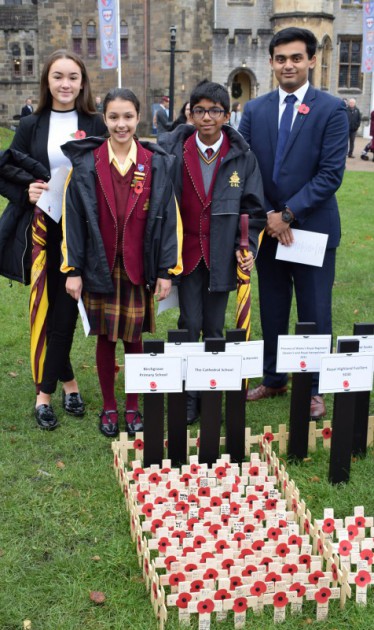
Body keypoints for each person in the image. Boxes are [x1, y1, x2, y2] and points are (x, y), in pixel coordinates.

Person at [238, 27, 348, 419]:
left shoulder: (332, 109)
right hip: (268, 231)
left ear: (312, 60)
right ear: (271, 62)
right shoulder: (255, 109)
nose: (288, 64)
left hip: (312, 228)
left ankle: (315, 388)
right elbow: (246, 164)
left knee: (315, 310)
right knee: (273, 306)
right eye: (281, 58)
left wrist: (286, 215)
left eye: (296, 57)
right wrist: (269, 215)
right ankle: (273, 377)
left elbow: (331, 173)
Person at [61, 87, 181, 438]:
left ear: (139, 116)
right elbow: (73, 219)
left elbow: (168, 220)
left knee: (135, 341)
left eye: (127, 116)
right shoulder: (87, 163)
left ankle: (132, 406)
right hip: (101, 265)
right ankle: (109, 407)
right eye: (113, 117)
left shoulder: (155, 162)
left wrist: (165, 271)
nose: (121, 124)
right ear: (104, 117)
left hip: (138, 266)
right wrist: (73, 270)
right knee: (105, 338)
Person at [0, 50, 107, 430]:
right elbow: (9, 166)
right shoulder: (32, 123)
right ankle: (58, 388)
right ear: (47, 81)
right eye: (58, 76)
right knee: (47, 308)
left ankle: (52, 388)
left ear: (83, 82)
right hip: (42, 230)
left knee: (65, 309)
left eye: (73, 77)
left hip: (79, 233)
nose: (65, 84)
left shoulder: (96, 122)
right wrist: (25, 191)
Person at [159, 80, 266, 424]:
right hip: (186, 253)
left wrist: (246, 247)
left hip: (221, 254)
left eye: (215, 111)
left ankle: (211, 392)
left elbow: (254, 210)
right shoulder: (172, 153)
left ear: (226, 115)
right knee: (189, 324)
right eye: (200, 110)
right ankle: (188, 395)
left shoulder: (242, 156)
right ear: (190, 114)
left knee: (215, 328)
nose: (207, 118)